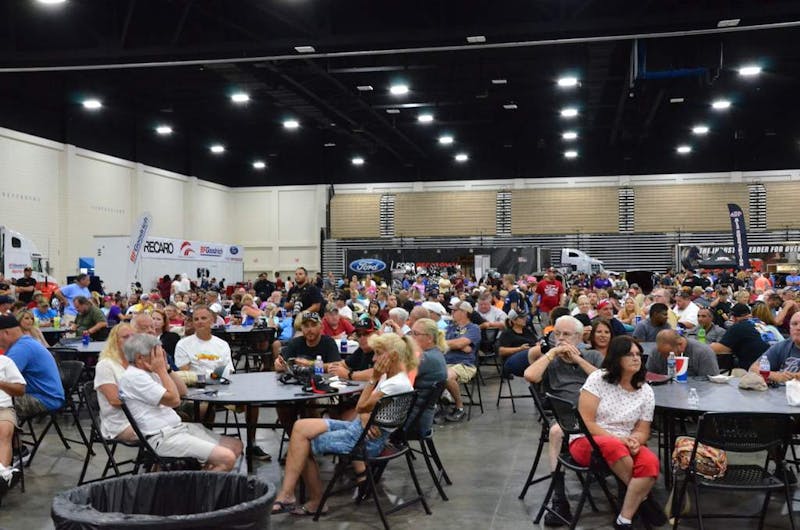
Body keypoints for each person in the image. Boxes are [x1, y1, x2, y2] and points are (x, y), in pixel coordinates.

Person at [271, 333, 417, 516]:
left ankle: (311, 501)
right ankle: (288, 494)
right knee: (300, 427)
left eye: (378, 353)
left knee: (301, 444)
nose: (373, 358)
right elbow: (365, 411)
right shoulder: (395, 378)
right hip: (360, 430)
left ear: (392, 356)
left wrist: (373, 380)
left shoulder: (392, 383)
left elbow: (361, 406)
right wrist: (366, 415)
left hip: (364, 441)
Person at [575, 335, 665, 529]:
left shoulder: (646, 390)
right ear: (616, 358)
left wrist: (635, 440)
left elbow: (643, 430)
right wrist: (620, 440)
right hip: (588, 439)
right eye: (629, 354)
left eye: (638, 354)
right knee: (615, 446)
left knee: (650, 462)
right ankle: (644, 498)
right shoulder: (598, 379)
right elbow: (585, 421)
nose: (636, 358)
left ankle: (624, 519)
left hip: (625, 442)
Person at [118, 333, 242, 471]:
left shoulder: (150, 372)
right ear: (140, 358)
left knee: (236, 446)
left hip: (178, 428)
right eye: (157, 354)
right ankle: (198, 490)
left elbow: (182, 392)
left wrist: (167, 369)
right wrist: (161, 370)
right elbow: (175, 401)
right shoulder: (134, 377)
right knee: (227, 458)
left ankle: (198, 481)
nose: (161, 357)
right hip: (161, 437)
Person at [524, 315, 603, 525]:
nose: (560, 339)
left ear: (578, 337)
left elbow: (606, 382)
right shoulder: (550, 359)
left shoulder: (593, 355)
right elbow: (530, 376)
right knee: (556, 432)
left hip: (597, 414)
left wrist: (578, 359)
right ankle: (559, 498)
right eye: (557, 334)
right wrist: (551, 354)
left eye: (566, 334)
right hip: (565, 417)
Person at [0, 315, 64, 420]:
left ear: (6, 333)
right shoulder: (25, 343)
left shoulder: (20, 349)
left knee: (2, 403)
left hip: (43, 399)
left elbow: (3, 377)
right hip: (49, 396)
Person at [94, 324, 138, 441]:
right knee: (161, 431)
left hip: (142, 415)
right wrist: (147, 397)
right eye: (125, 337)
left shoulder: (137, 363)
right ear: (115, 341)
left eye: (133, 336)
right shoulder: (106, 365)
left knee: (175, 424)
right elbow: (115, 401)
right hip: (119, 422)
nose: (130, 340)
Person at [407, 318, 448, 436]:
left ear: (429, 338)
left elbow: (399, 379)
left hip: (413, 422)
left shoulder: (425, 358)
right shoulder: (434, 353)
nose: (411, 337)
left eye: (415, 334)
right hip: (420, 417)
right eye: (411, 333)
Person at [443, 301, 481, 422]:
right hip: (445, 362)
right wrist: (459, 345)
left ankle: (459, 407)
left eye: (455, 310)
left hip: (465, 364)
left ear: (464, 312)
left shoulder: (474, 328)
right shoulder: (450, 327)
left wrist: (457, 344)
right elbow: (437, 342)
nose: (452, 312)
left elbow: (460, 343)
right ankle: (439, 405)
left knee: (447, 377)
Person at [174, 306, 234, 379]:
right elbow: (186, 373)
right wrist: (213, 375)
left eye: (203, 318)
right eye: (196, 319)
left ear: (212, 321)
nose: (200, 322)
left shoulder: (223, 344)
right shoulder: (182, 344)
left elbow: (227, 371)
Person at [711, 303, 770, 369]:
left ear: (733, 318)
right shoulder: (760, 323)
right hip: (771, 364)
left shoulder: (739, 326)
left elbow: (719, 349)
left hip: (756, 368)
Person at [0, 349, 25, 493]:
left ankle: (2, 475)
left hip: (3, 408)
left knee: (4, 430)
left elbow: (20, 389)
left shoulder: (5, 362)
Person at [647, 330, 719, 377]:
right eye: (662, 353)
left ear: (680, 345)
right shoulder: (656, 352)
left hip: (697, 395)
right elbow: (649, 377)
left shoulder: (703, 353)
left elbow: (711, 384)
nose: (666, 357)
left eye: (668, 354)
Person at [749, 312, 800, 380]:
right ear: (790, 328)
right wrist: (776, 376)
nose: (798, 328)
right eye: (794, 324)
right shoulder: (782, 346)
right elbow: (753, 369)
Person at [497, 309, 539, 377]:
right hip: (513, 361)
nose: (525, 319)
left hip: (531, 357)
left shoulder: (527, 330)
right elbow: (501, 351)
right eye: (521, 318)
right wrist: (520, 349)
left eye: (524, 317)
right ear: (514, 320)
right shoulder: (507, 333)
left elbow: (536, 341)